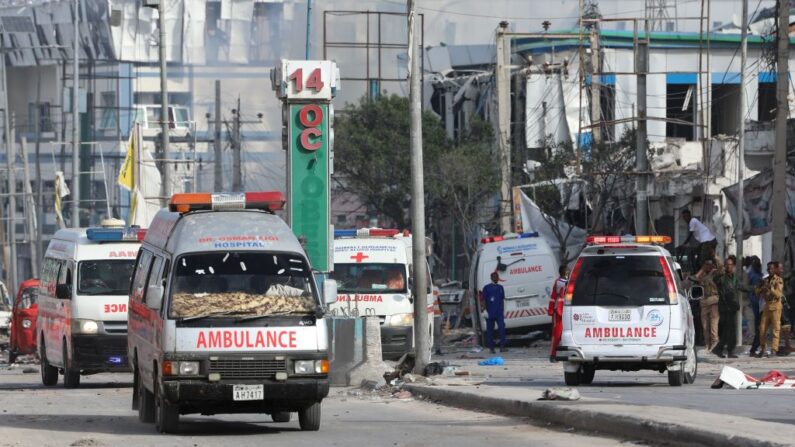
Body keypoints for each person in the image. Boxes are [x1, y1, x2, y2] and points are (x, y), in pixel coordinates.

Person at [712, 256, 740, 358]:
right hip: (725, 308)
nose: (729, 267)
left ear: (734, 266)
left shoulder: (734, 278)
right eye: (727, 265)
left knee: (728, 330)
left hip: (732, 307)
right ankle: (727, 350)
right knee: (728, 330)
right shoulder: (722, 278)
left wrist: (754, 289)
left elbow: (739, 287)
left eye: (730, 265)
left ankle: (720, 349)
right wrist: (719, 273)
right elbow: (715, 280)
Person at [757, 261, 785, 358]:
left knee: (775, 329)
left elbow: (779, 294)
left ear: (775, 269)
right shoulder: (765, 279)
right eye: (768, 269)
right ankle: (763, 349)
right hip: (767, 306)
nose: (769, 270)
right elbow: (757, 291)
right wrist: (761, 288)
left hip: (776, 305)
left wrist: (771, 288)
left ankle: (774, 350)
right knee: (762, 329)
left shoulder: (778, 280)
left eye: (771, 268)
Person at [694, 259, 720, 351]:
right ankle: (707, 344)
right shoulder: (703, 274)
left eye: (710, 264)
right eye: (706, 264)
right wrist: (702, 269)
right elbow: (695, 278)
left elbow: (710, 278)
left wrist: (715, 259)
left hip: (714, 300)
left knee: (713, 325)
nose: (708, 266)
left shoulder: (716, 273)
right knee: (705, 326)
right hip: (704, 302)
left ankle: (715, 343)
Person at [547, 265, 569, 362]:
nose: (568, 271)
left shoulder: (564, 281)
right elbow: (553, 296)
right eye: (566, 270)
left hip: (566, 310)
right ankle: (552, 355)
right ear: (563, 272)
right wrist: (551, 309)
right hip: (559, 311)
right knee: (556, 334)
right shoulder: (561, 282)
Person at [481, 271, 507, 354]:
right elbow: (483, 300)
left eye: (497, 277)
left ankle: (502, 346)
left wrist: (503, 310)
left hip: (499, 312)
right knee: (490, 331)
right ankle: (491, 348)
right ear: (491, 278)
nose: (496, 278)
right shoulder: (486, 288)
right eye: (494, 277)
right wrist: (484, 310)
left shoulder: (500, 287)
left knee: (502, 328)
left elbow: (502, 299)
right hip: (490, 312)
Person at [746, 257, 764, 356]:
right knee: (757, 324)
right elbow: (747, 286)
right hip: (753, 301)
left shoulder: (761, 274)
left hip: (760, 303)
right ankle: (754, 347)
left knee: (760, 325)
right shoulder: (750, 274)